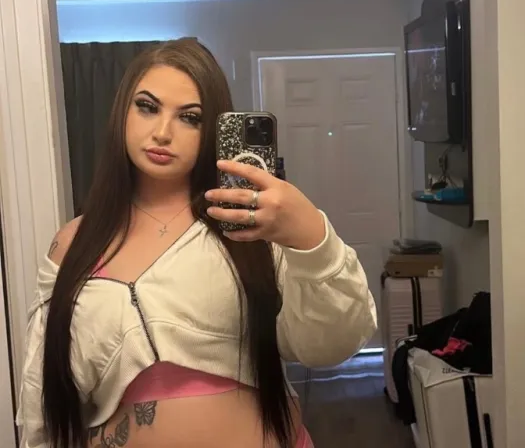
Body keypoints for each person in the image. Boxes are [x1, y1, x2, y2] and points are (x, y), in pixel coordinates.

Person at [17, 38, 377, 448]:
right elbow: (41, 398)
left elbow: (331, 345)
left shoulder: (250, 226)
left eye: (190, 117)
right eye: (147, 107)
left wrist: (311, 237)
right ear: (122, 112)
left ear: (213, 131)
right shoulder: (74, 245)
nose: (162, 132)